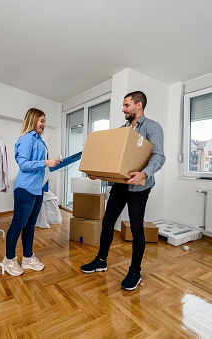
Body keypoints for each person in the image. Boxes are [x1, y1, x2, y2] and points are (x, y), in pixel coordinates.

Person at [81, 91, 165, 290]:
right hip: (120, 185)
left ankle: (135, 271)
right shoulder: (122, 130)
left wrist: (143, 174)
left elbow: (159, 156)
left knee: (137, 227)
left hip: (139, 187)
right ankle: (101, 260)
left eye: (126, 105)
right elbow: (114, 160)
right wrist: (98, 173)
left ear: (139, 105)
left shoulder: (153, 127)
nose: (123, 109)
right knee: (108, 221)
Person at [2, 108, 61, 276]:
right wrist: (45, 162)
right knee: (18, 224)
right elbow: (24, 165)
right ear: (33, 120)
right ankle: (9, 259)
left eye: (44, 121)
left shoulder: (40, 141)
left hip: (36, 189)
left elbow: (41, 164)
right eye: (41, 120)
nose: (44, 124)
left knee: (30, 225)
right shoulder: (27, 138)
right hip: (25, 188)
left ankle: (27, 258)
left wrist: (52, 163)